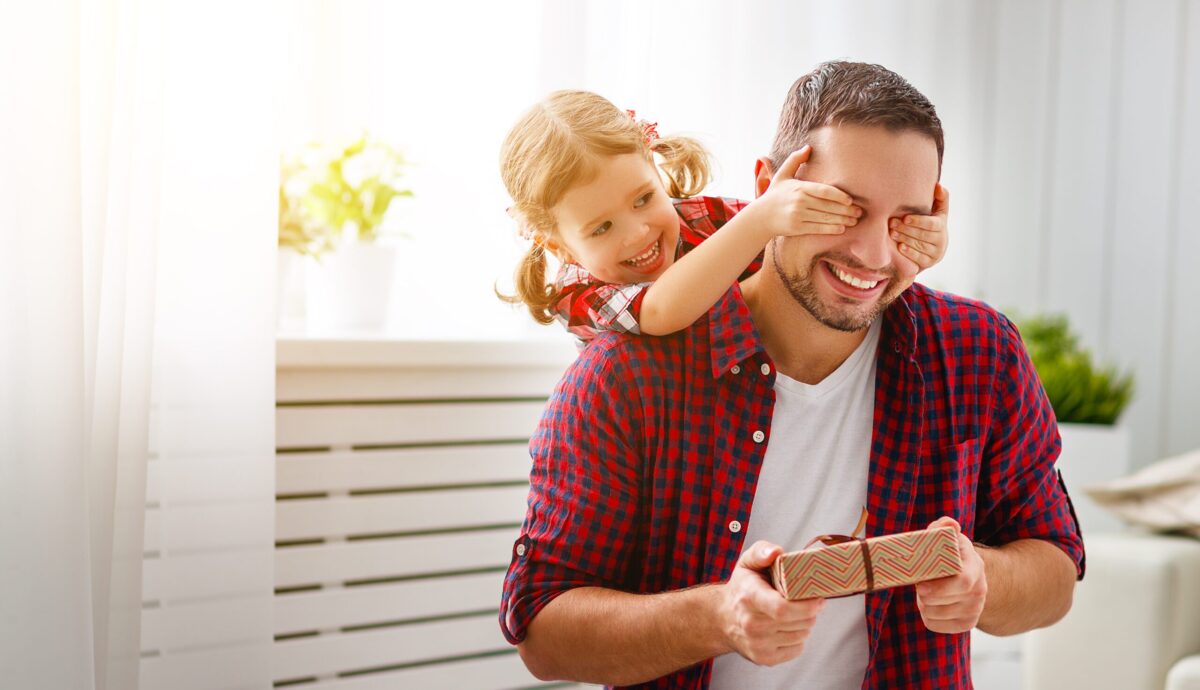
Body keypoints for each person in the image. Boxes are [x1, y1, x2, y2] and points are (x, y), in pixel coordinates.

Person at [500, 61, 1085, 690]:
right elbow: (543, 631)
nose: (872, 254)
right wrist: (718, 616)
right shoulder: (622, 377)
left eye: (904, 220)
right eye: (842, 209)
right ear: (769, 189)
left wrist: (981, 580)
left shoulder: (977, 352)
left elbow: (1055, 570)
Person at [498, 90, 948, 343]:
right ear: (558, 245)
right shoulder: (579, 294)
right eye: (601, 228)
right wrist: (760, 219)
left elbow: (796, 246)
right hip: (665, 425)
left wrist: (908, 238)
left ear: (655, 168)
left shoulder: (701, 220)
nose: (638, 232)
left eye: (642, 199)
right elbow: (659, 310)